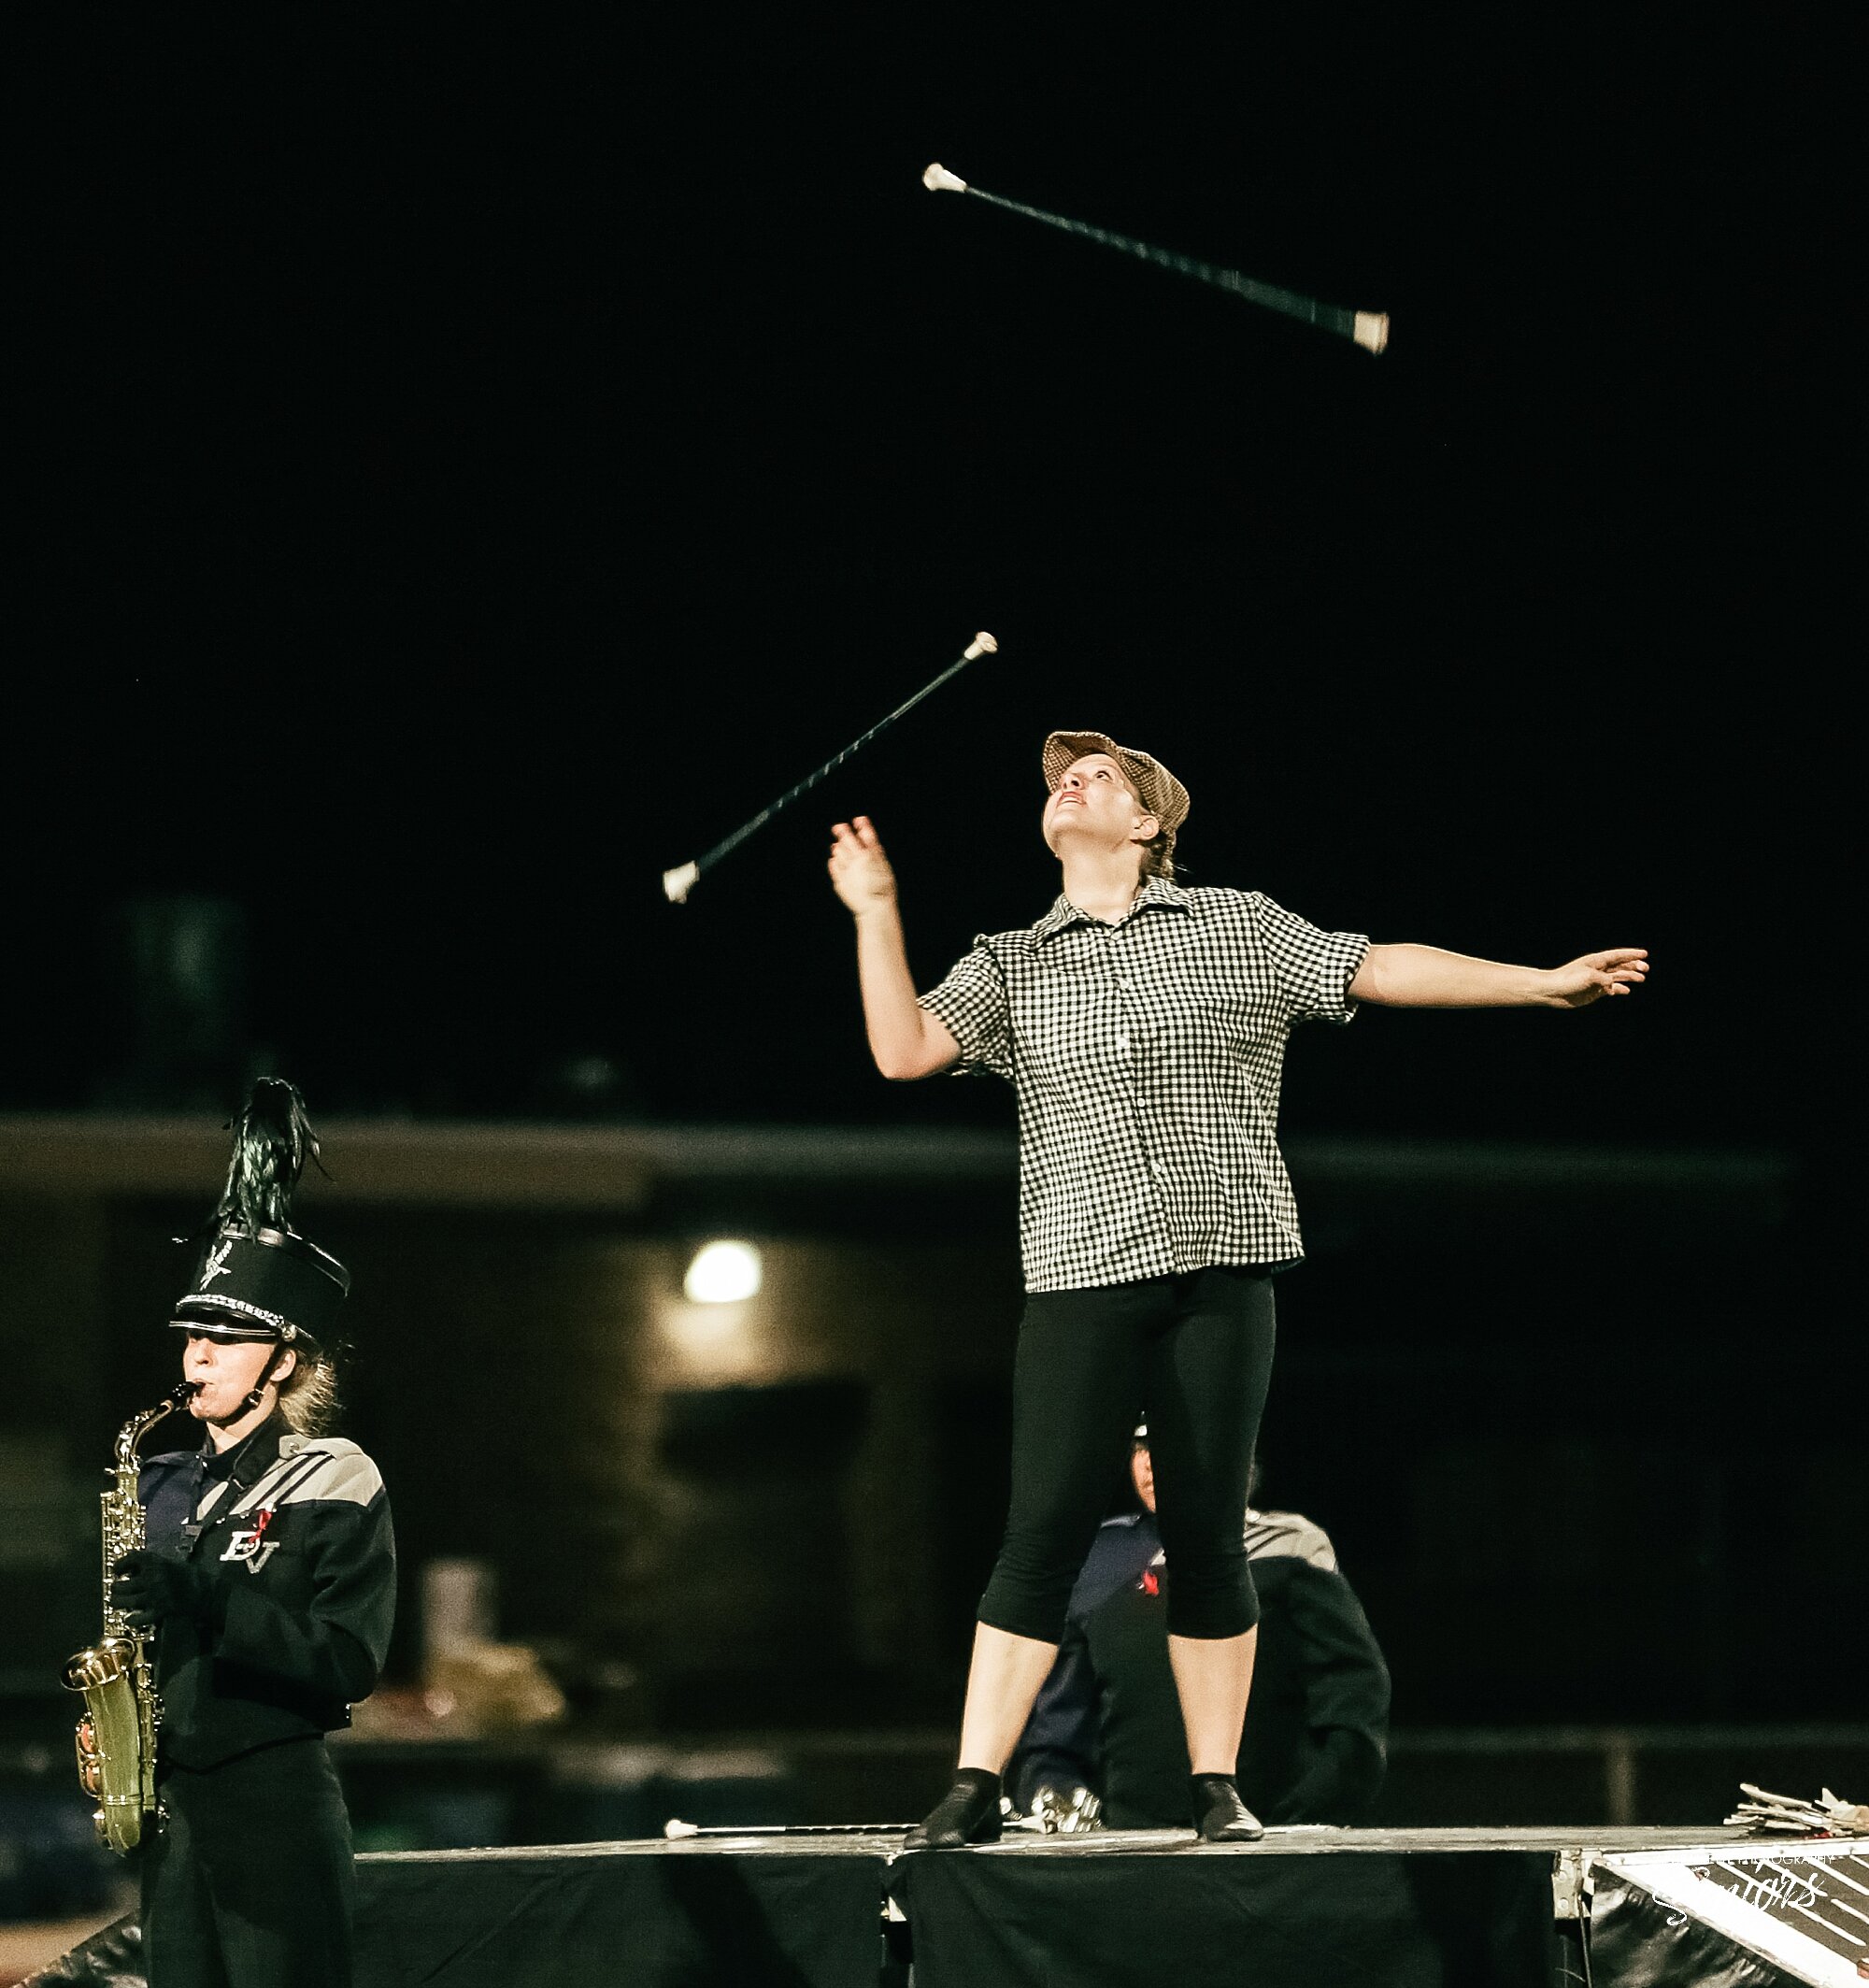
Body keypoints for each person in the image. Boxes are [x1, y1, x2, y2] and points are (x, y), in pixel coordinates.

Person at [826, 728, 1647, 1848]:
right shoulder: (1009, 961)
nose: (1070, 781)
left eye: (1099, 775)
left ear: (1149, 825)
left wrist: (1537, 985)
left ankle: (1216, 1786)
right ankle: (974, 1783)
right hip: (1080, 1273)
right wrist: (876, 910)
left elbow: (1374, 963)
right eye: (1060, 777)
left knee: (1210, 1534)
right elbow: (904, 1050)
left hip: (1223, 1266)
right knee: (1041, 1532)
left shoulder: (1236, 926)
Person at [109, 1080, 396, 1988]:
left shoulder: (336, 1474)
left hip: (273, 1803)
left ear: (287, 1360)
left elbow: (348, 1660)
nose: (196, 1354)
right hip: (170, 1815)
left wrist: (212, 1602)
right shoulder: (155, 1479)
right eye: (192, 1334)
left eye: (225, 1338)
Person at [1009, 1430, 1390, 1829]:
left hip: (1269, 1843)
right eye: (1140, 1448)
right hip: (1128, 1849)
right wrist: (1054, 1791)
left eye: (1166, 1442)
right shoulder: (1099, 1559)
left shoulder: (1288, 1546)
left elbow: (1354, 1697)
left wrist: (1311, 1812)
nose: (1149, 1463)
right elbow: (1056, 1731)